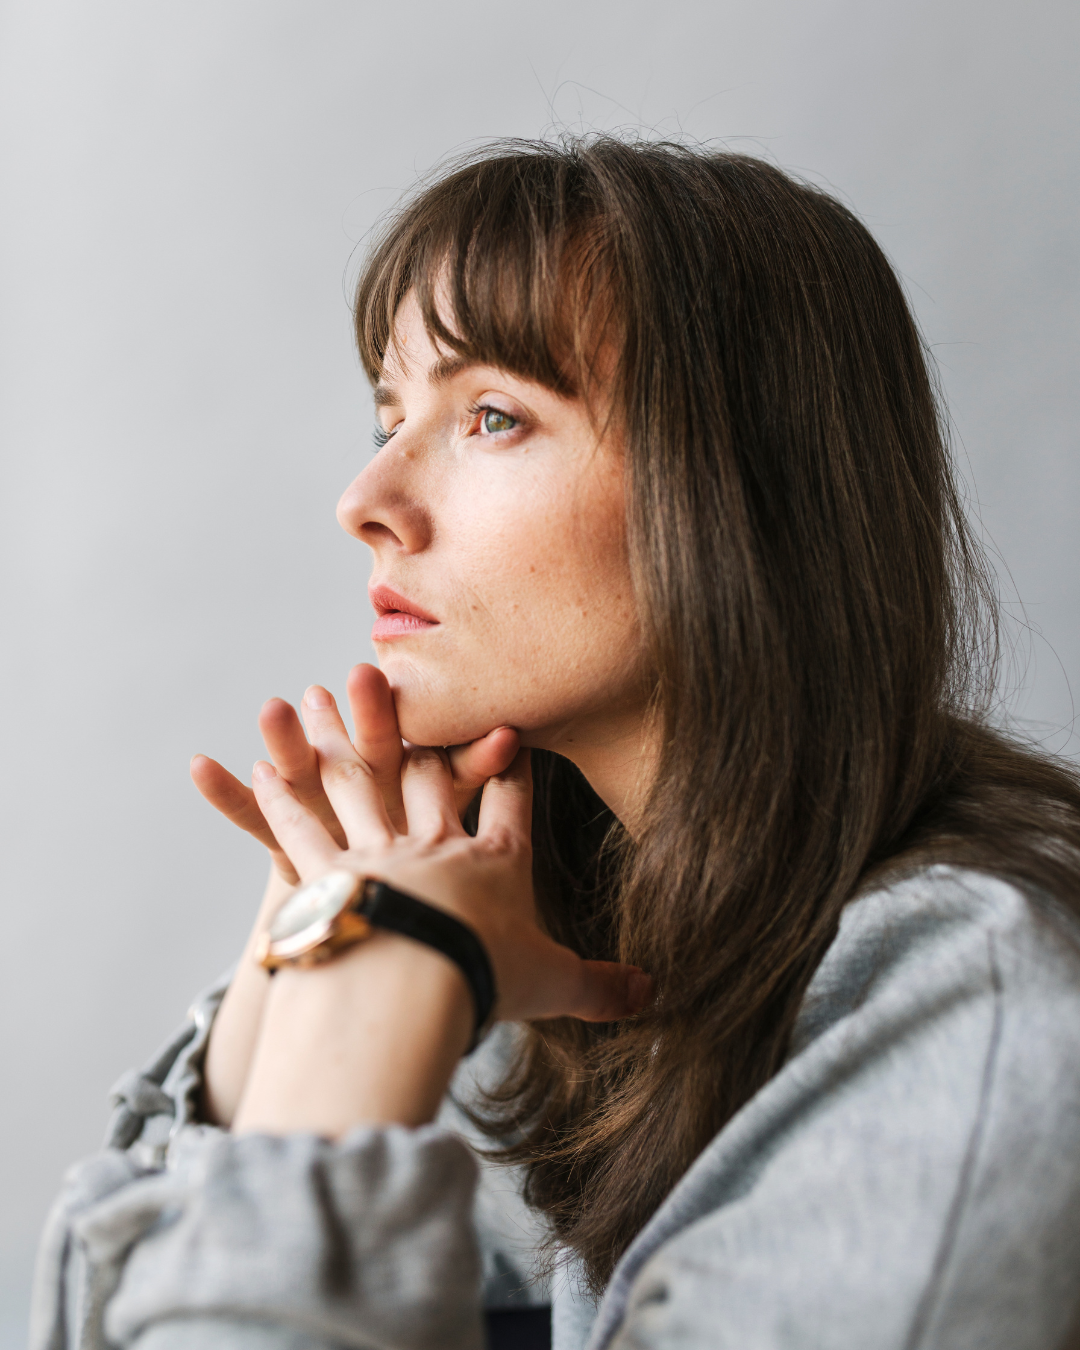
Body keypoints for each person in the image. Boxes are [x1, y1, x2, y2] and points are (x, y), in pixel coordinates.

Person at [32, 136, 1080, 1350]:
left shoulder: (971, 995)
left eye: (491, 416)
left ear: (738, 490)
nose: (365, 499)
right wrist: (306, 945)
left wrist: (387, 958)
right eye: (388, 416)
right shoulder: (566, 969)